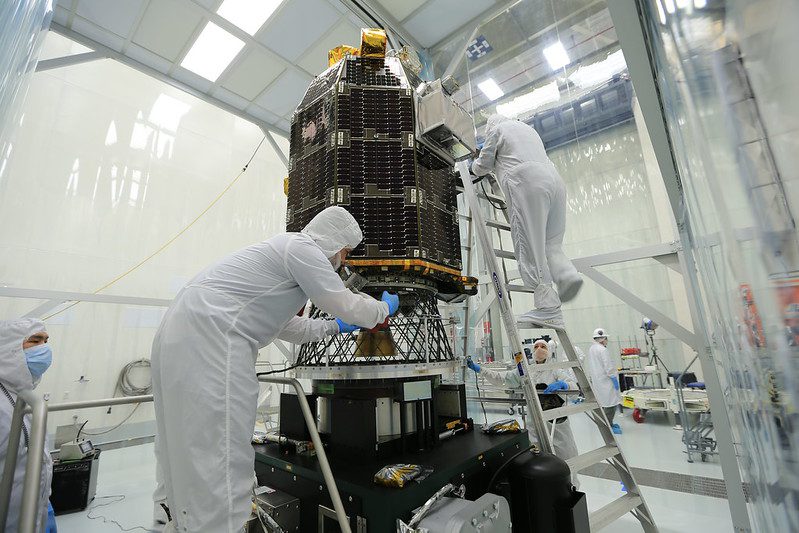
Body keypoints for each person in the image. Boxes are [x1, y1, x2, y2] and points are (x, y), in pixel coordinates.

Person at [152, 206, 399, 533]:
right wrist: (382, 309)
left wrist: (336, 328)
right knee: (220, 454)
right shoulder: (302, 248)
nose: (344, 260)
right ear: (333, 241)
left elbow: (290, 326)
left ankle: (170, 524)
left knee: (179, 445)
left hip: (178, 334)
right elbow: (342, 301)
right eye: (345, 252)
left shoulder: (277, 262)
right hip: (212, 337)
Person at [471, 114, 582, 328]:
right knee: (551, 243)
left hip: (527, 181)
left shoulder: (497, 130)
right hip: (554, 181)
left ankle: (548, 308)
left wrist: (471, 170)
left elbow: (483, 164)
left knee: (529, 244)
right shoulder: (529, 131)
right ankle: (567, 275)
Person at [467, 338, 580, 487]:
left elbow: (574, 389)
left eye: (543, 346)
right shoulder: (525, 371)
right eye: (536, 347)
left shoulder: (556, 369)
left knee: (566, 460)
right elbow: (502, 378)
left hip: (557, 424)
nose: (539, 349)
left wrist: (564, 385)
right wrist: (479, 369)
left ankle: (571, 490)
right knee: (537, 461)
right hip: (534, 424)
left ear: (549, 351)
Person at [0, 318, 55, 532]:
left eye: (46, 340)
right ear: (9, 349)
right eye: (35, 341)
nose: (45, 348)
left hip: (31, 510)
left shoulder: (21, 396)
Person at [586, 328, 622, 434]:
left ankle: (607, 423)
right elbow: (608, 366)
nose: (607, 341)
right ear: (603, 339)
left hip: (598, 381)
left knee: (604, 403)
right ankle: (608, 426)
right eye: (606, 339)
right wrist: (614, 378)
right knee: (611, 404)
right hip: (606, 381)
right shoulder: (603, 350)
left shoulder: (592, 348)